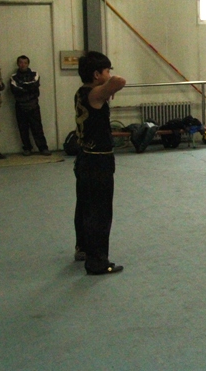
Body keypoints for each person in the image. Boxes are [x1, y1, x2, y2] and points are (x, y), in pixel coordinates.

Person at [73, 51, 126, 275]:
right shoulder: (95, 94)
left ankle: (83, 247)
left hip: (85, 157)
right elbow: (119, 82)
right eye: (106, 71)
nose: (110, 74)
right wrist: (108, 88)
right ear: (96, 75)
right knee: (100, 212)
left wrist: (106, 90)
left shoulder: (82, 92)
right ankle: (97, 261)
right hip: (98, 161)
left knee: (84, 206)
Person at [10, 55, 51, 156]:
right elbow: (15, 90)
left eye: (25, 63)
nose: (23, 65)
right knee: (23, 128)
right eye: (21, 62)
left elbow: (34, 86)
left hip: (33, 105)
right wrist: (28, 87)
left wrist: (22, 86)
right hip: (20, 105)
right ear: (17, 64)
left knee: (37, 128)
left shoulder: (35, 74)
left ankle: (43, 148)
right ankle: (27, 148)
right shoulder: (13, 77)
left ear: (28, 64)